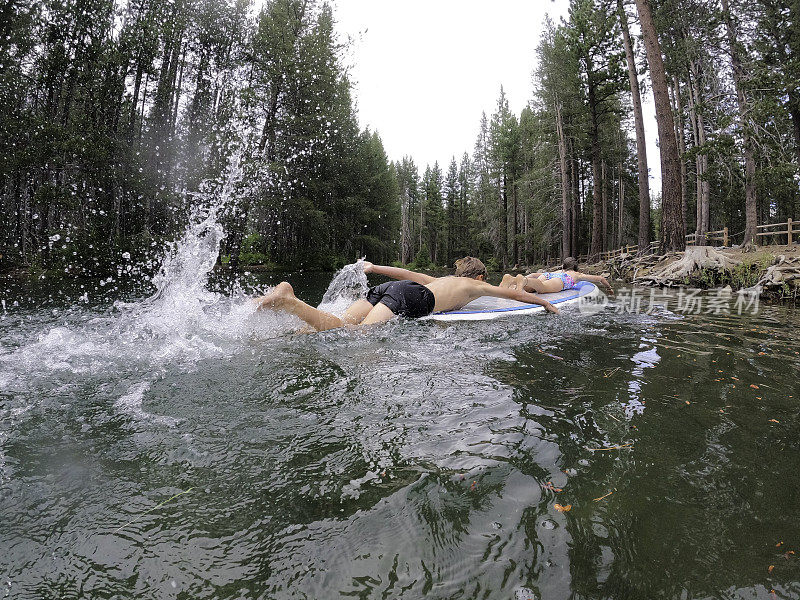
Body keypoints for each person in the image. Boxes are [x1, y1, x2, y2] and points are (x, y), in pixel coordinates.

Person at [255, 256, 559, 331]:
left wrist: (374, 268)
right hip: (411, 298)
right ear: (479, 276)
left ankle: (292, 317)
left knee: (333, 323)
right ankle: (289, 301)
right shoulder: (476, 286)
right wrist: (545, 301)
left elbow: (406, 275)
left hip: (391, 289)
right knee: (355, 334)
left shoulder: (441, 279)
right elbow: (515, 296)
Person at [500, 257, 614, 295]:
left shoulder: (559, 271)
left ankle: (513, 283)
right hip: (562, 281)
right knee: (542, 288)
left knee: (531, 289)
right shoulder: (576, 274)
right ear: (575, 267)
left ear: (564, 266)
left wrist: (528, 276)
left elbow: (535, 274)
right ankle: (523, 280)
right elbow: (601, 279)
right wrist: (609, 288)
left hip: (548, 275)